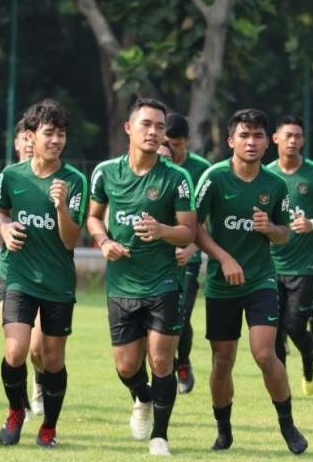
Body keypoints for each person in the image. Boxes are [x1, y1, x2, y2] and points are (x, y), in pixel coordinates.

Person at [194, 108, 308, 454]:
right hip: (221, 283)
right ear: (231, 140)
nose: (252, 142)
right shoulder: (214, 178)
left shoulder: (274, 185)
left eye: (258, 136)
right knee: (222, 360)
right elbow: (194, 228)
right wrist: (224, 258)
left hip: (260, 281)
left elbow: (284, 234)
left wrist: (269, 228)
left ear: (267, 142)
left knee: (264, 353)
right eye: (244, 135)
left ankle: (288, 425)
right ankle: (223, 429)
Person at [87, 98, 195, 456]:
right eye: (146, 124)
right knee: (126, 365)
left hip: (164, 282)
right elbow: (93, 217)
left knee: (161, 359)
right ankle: (142, 397)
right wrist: (104, 242)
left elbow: (188, 233)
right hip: (122, 283)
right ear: (128, 128)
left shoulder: (176, 178)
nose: (153, 132)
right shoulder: (105, 172)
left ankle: (160, 436)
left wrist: (163, 230)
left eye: (160, 127)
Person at [0, 100, 87, 448]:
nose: (56, 140)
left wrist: (61, 206)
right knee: (16, 352)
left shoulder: (75, 180)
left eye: (61, 134)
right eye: (49, 133)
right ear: (30, 136)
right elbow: (1, 212)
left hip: (58, 284)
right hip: (19, 278)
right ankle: (15, 410)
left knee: (52, 359)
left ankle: (48, 426)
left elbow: (70, 239)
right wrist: (4, 229)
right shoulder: (12, 175)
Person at [267, 115, 313, 397]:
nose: (293, 141)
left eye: (298, 136)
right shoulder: (267, 174)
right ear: (276, 139)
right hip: (270, 266)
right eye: (288, 135)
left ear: (303, 140)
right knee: (273, 332)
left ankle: (309, 363)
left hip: (304, 267)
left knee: (296, 327)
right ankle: (281, 383)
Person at [0, 120, 42, 417]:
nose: (30, 144)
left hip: (47, 276)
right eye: (24, 139)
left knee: (38, 349)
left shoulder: (57, 179)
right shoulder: (4, 179)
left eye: (34, 138)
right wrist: (2, 227)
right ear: (17, 144)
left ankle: (41, 381)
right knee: (15, 348)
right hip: (11, 275)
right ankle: (21, 406)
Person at [164, 113, 211, 394]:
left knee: (181, 317)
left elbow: (206, 219)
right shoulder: (154, 164)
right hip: (157, 256)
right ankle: (163, 367)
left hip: (189, 257)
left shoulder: (201, 169)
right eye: (168, 142)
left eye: (177, 144)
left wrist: (192, 248)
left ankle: (182, 363)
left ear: (187, 142)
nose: (172, 149)